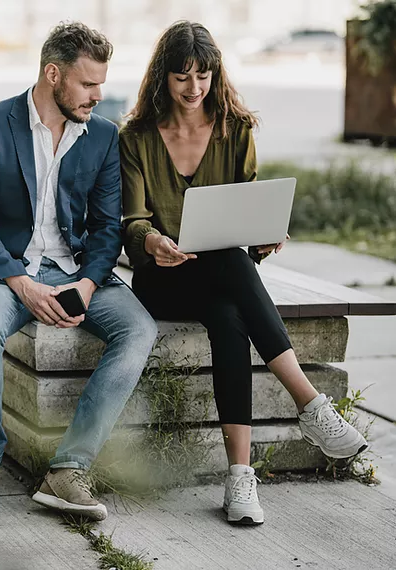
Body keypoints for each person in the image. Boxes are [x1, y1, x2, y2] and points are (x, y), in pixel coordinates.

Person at [120, 20, 367, 526]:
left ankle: (239, 479)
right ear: (162, 78)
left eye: (204, 77)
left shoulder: (236, 129)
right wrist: (152, 241)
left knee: (228, 311)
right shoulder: (137, 137)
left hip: (223, 277)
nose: (194, 89)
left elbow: (246, 212)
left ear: (216, 75)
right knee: (228, 268)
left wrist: (265, 236)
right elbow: (132, 221)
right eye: (182, 77)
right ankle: (310, 405)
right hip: (161, 280)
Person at [0, 21, 157, 521]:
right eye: (88, 84)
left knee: (139, 330)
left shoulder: (104, 136)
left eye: (100, 83)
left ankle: (68, 469)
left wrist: (85, 285)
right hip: (5, 269)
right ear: (52, 74)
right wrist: (21, 284)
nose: (97, 95)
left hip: (75, 270)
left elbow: (108, 228)